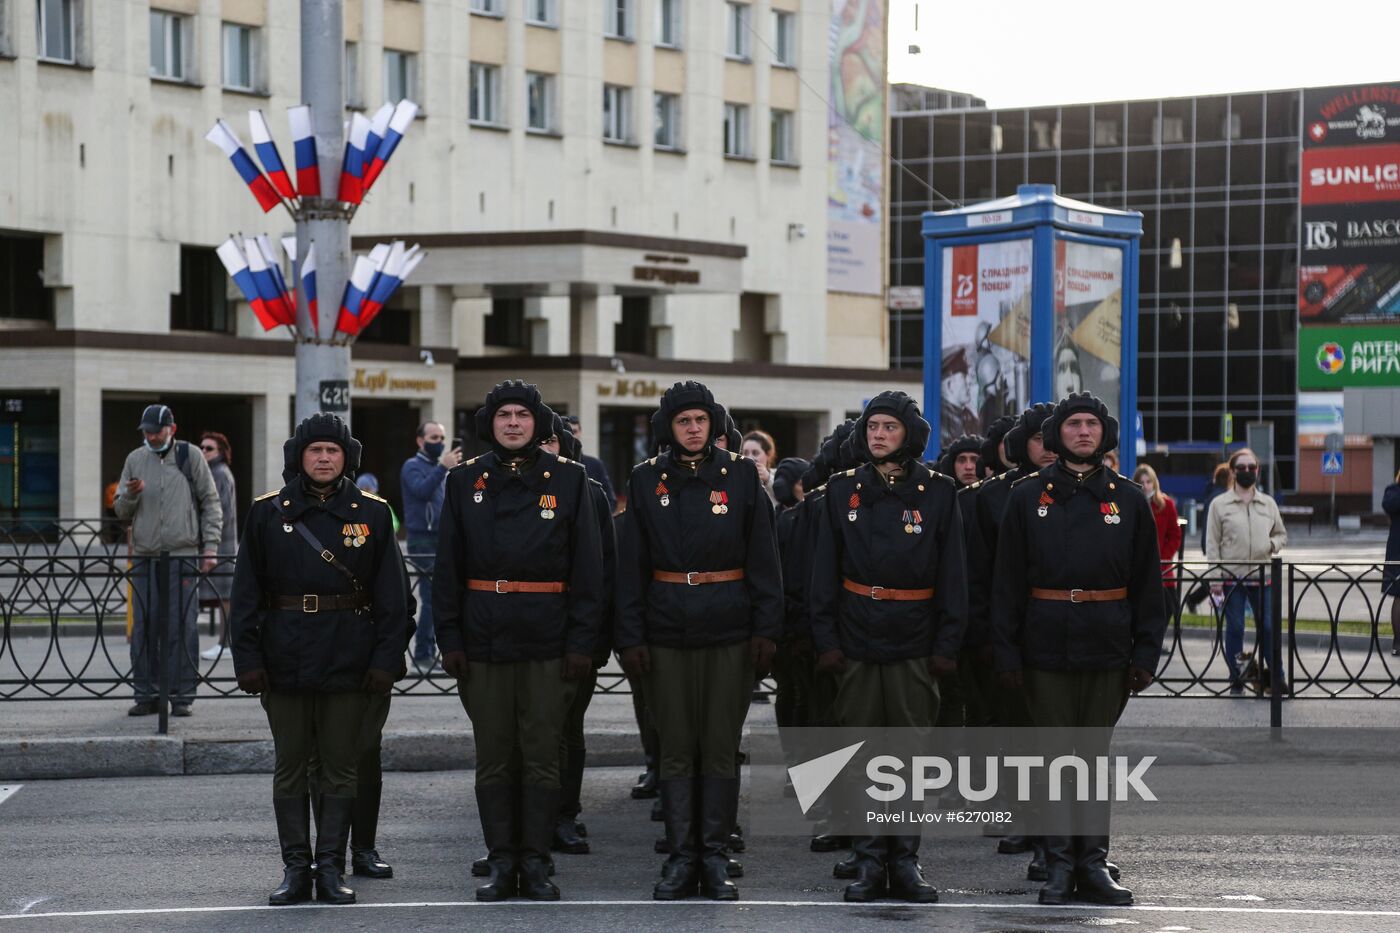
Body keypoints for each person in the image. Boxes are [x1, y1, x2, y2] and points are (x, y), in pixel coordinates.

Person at [991, 392, 1166, 907]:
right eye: (1072, 425)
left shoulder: (1129, 498)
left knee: (1091, 758)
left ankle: (1092, 863)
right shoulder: (1026, 496)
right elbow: (1006, 585)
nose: (1083, 432)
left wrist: (1145, 655)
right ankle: (1059, 865)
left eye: (1091, 424)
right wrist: (1006, 654)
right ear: (1056, 435)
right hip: (1044, 642)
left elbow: (1149, 587)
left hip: (1106, 643)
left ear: (1103, 433)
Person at [229, 413, 409, 906]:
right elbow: (245, 595)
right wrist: (247, 659)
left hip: (348, 657)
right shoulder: (267, 512)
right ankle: (295, 869)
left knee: (340, 767)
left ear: (346, 457)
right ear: (300, 458)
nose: (324, 458)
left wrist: (385, 662)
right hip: (283, 656)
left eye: (332, 451)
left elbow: (393, 599)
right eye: (315, 451)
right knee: (290, 767)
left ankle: (330, 868)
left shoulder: (372, 513)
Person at [433, 381, 603, 902]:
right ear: (491, 423)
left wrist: (582, 644)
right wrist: (451, 638)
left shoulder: (571, 481)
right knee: (495, 757)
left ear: (538, 424)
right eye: (503, 414)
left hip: (547, 637)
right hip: (484, 638)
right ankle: (502, 862)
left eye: (522, 416)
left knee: (540, 757)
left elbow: (589, 571)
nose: (512, 423)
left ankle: (537, 863)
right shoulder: (465, 482)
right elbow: (447, 569)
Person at [615, 381, 783, 901]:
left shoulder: (740, 478)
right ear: (670, 427)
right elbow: (631, 568)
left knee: (718, 747)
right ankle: (680, 857)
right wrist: (631, 637)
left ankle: (713, 857)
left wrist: (766, 631)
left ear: (714, 426)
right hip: (666, 631)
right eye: (684, 421)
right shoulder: (645, 481)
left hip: (728, 629)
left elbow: (764, 561)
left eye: (701, 421)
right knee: (675, 749)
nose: (692, 429)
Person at [808, 391, 967, 903]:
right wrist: (827, 641)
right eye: (872, 426)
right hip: (856, 637)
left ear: (909, 435)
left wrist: (947, 643)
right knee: (861, 755)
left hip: (915, 639)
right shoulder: (841, 490)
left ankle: (906, 862)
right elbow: (823, 576)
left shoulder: (939, 492)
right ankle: (870, 861)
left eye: (889, 427)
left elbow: (954, 575)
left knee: (909, 756)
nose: (877, 434)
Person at [113, 404, 222, 717]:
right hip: (146, 556)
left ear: (171, 429)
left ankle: (181, 695)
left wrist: (210, 548)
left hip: (183, 555)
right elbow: (120, 511)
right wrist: (131, 495)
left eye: (156, 431)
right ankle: (146, 693)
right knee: (144, 626)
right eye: (146, 431)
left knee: (182, 626)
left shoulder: (190, 456)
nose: (150, 435)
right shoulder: (135, 459)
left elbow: (211, 503)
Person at [546, 412, 617, 857]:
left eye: (556, 441)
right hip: (523, 634)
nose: (549, 448)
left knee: (568, 729)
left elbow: (603, 572)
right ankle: (523, 824)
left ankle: (565, 815)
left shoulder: (589, 493)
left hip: (577, 636)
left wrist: (596, 641)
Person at [1206, 447, 1287, 696]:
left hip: (1263, 576)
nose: (1247, 472)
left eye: (1251, 467)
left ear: (1258, 471)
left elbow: (1281, 533)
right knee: (1236, 628)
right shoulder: (1220, 505)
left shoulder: (1268, 503)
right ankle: (1237, 678)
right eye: (1241, 468)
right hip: (1232, 577)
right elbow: (1212, 544)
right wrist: (1214, 579)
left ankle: (1276, 678)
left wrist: (1271, 545)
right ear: (1232, 471)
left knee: (1269, 627)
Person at [400, 421, 462, 672]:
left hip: (440, 538)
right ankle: (422, 653)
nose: (439, 442)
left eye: (442, 437)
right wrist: (442, 468)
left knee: (441, 596)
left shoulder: (440, 470)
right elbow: (422, 491)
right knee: (429, 597)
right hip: (422, 539)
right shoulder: (412, 466)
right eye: (434, 437)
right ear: (420, 440)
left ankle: (431, 650)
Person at [198, 432, 238, 661]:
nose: (203, 451)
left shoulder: (220, 474)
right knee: (222, 597)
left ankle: (226, 643)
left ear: (220, 452)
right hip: (219, 541)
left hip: (221, 543)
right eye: (202, 447)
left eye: (208, 448)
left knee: (225, 597)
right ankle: (224, 643)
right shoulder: (212, 472)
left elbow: (220, 510)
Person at [1134, 464, 1182, 620]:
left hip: (1162, 567)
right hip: (1139, 565)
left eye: (1149, 482)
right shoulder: (1133, 504)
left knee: (1169, 607)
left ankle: (1157, 642)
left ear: (1155, 483)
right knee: (1142, 609)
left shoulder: (1166, 504)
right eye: (1142, 482)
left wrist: (1164, 557)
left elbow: (1175, 535)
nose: (1146, 486)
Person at [566, 415, 617, 514]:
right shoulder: (555, 465)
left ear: (580, 433)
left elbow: (611, 501)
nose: (572, 436)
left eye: (575, 432)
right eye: (568, 432)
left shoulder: (595, 465)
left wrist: (595, 522)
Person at [1383, 471, 1400, 657]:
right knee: (1399, 595)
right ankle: (1398, 641)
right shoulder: (1393, 491)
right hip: (1398, 553)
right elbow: (1388, 504)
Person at [741, 430, 778, 503]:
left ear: (768, 454)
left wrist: (768, 479)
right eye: (745, 453)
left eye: (755, 453)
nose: (750, 458)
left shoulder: (779, 475)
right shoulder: (737, 477)